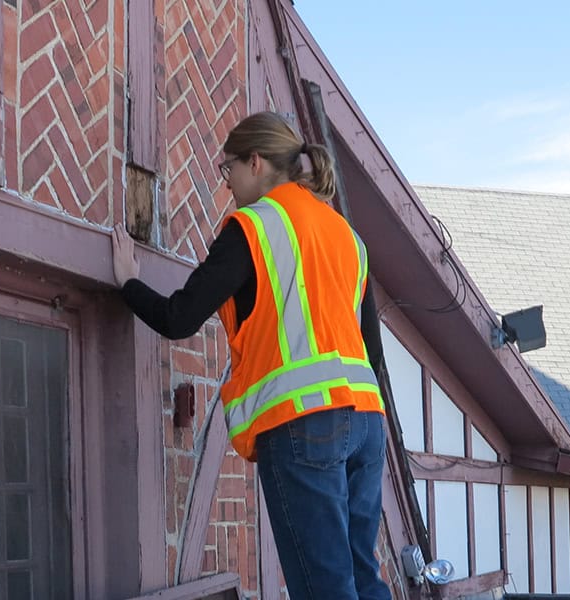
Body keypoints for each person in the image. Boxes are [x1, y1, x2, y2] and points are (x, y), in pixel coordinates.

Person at [111, 111, 391, 600]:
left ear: (256, 162)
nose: (227, 185)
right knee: (363, 579)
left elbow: (179, 318)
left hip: (305, 424)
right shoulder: (349, 238)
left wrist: (127, 282)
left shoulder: (254, 227)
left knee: (325, 589)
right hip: (367, 424)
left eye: (228, 170)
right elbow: (372, 351)